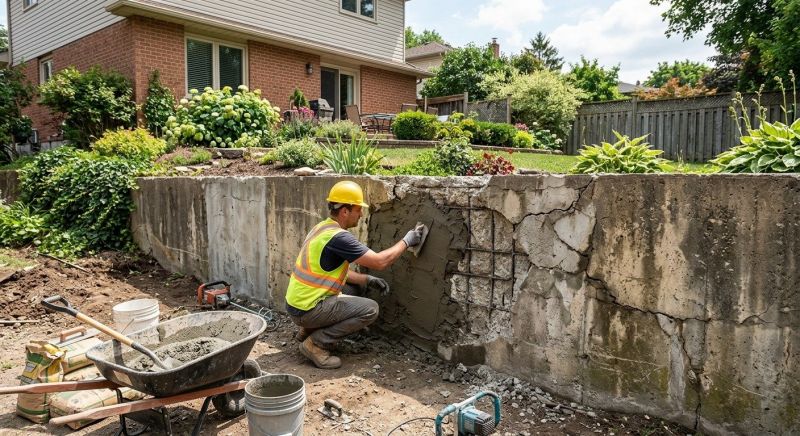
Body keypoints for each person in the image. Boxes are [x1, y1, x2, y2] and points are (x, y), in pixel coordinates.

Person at [285, 180, 424, 369]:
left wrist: (367, 279)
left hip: (297, 304)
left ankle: (307, 330)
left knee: (354, 288)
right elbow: (380, 261)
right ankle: (316, 344)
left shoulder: (322, 228)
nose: (361, 214)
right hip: (307, 309)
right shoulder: (340, 238)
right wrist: (407, 241)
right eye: (358, 210)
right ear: (345, 211)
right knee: (370, 309)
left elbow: (328, 272)